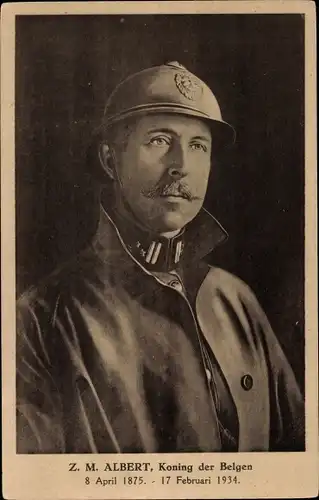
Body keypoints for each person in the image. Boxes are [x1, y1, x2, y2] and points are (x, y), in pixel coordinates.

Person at [16, 61, 304, 453]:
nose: (180, 166)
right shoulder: (41, 318)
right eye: (159, 140)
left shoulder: (236, 301)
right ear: (109, 160)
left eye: (198, 146)